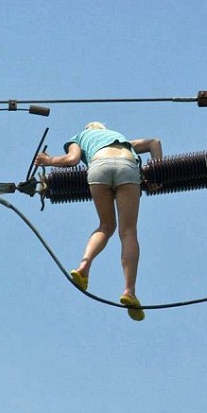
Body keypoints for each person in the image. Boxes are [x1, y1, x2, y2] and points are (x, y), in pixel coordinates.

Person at [34, 121, 162, 321]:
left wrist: (48, 160)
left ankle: (83, 267)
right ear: (104, 128)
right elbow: (155, 142)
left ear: (88, 129)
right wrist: (157, 173)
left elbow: (72, 160)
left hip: (99, 167)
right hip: (127, 166)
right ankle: (129, 291)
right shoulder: (121, 139)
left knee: (106, 226)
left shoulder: (80, 137)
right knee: (128, 232)